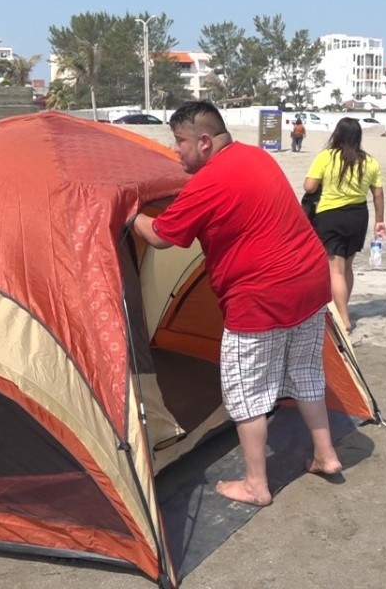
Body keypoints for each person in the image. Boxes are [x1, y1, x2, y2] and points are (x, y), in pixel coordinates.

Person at [133, 101, 342, 507]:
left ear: (205, 142)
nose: (176, 151)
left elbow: (161, 235)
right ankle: (326, 455)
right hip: (311, 281)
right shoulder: (255, 156)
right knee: (305, 371)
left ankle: (255, 484)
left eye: (179, 142)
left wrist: (130, 217)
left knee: (246, 389)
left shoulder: (208, 181)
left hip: (261, 295)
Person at [303, 117, 386, 334]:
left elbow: (309, 187)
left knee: (334, 270)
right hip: (359, 217)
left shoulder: (326, 157)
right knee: (347, 267)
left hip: (331, 216)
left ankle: (343, 320)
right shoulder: (370, 162)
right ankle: (342, 310)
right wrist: (380, 221)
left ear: (337, 134)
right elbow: (378, 194)